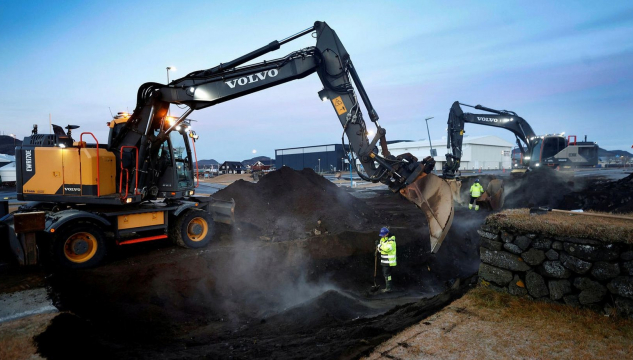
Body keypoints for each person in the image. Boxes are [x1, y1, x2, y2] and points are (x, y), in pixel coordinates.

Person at [377, 227, 397, 293]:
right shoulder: (382, 239)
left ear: (387, 234)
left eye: (383, 234)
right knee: (386, 274)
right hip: (384, 261)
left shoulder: (391, 240)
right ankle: (389, 287)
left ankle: (389, 288)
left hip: (389, 261)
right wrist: (379, 247)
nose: (382, 236)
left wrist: (380, 246)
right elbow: (380, 249)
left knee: (387, 274)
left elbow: (387, 248)